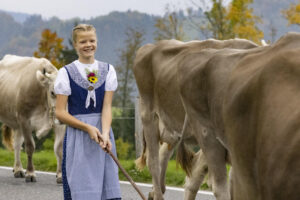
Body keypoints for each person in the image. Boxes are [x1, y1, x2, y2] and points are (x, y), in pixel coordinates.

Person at [54, 24, 122, 200]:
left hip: (103, 136)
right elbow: (60, 112)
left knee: (107, 189)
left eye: (92, 40)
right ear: (75, 44)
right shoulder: (65, 73)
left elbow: (106, 106)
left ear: (97, 42)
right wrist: (87, 128)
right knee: (82, 188)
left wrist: (105, 133)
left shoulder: (108, 70)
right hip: (78, 137)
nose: (88, 45)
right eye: (83, 41)